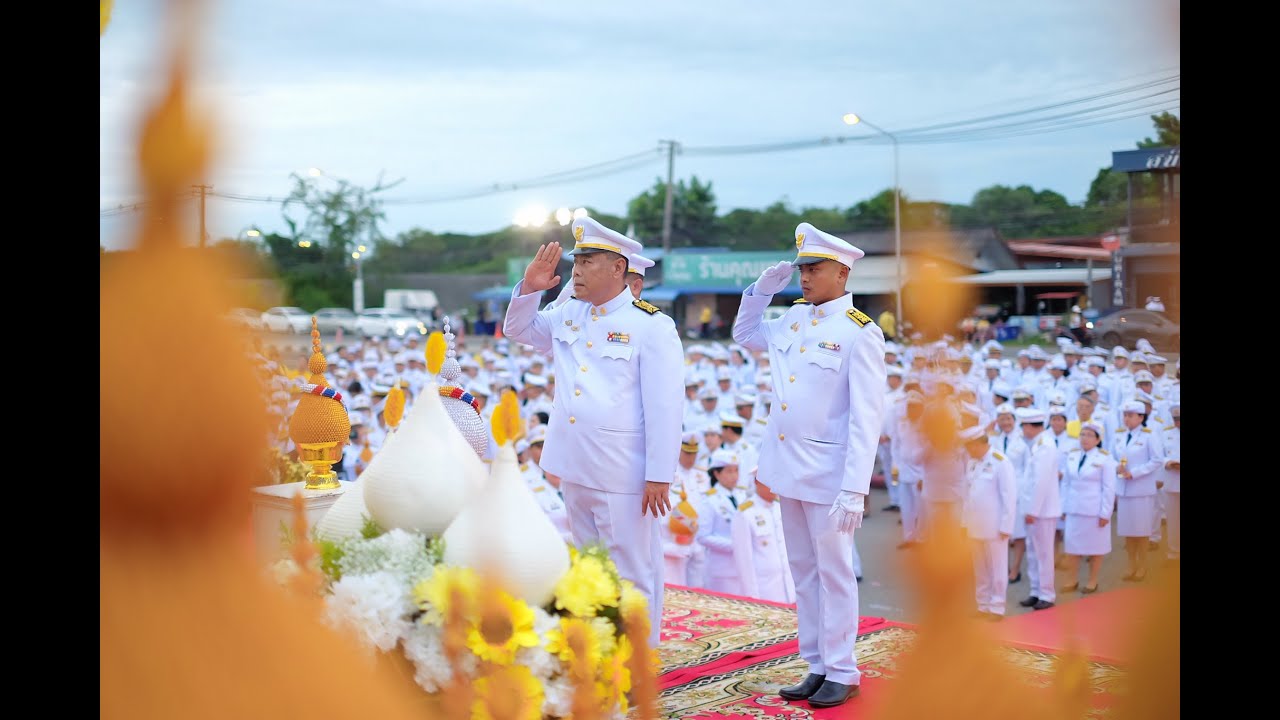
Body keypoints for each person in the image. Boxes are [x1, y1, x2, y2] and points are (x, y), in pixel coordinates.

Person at [501, 217, 684, 645]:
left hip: (623, 471)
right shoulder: (568, 313)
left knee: (632, 571)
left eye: (587, 260)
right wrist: (530, 289)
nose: (576, 269)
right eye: (576, 260)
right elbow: (519, 331)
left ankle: (638, 660)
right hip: (573, 463)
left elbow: (664, 406)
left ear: (617, 269)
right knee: (589, 564)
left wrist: (659, 474)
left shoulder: (651, 325)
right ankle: (600, 651)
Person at [732, 222, 886, 708]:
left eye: (813, 268)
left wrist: (855, 489)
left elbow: (867, 418)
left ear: (842, 273)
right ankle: (816, 663)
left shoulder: (860, 333)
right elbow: (744, 334)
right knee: (803, 570)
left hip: (829, 476)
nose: (804, 276)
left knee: (835, 572)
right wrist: (761, 291)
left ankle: (843, 668)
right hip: (786, 468)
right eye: (801, 268)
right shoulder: (794, 321)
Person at [959, 424, 1017, 620]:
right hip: (975, 525)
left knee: (997, 567)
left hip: (995, 526)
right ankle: (982, 604)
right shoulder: (972, 462)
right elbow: (967, 496)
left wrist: (1006, 526)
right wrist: (964, 523)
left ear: (978, 444)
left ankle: (997, 607)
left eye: (969, 447)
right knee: (980, 567)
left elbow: (1009, 496)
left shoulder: (1000, 462)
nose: (967, 451)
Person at [1059, 421, 1115, 594]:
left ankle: (1092, 580)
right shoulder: (1072, 455)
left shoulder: (1105, 458)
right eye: (1082, 434)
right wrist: (1063, 507)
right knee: (1072, 547)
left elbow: (1109, 488)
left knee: (1096, 548)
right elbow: (1066, 483)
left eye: (1090, 435)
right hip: (1074, 509)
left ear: (1098, 440)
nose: (1085, 438)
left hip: (1094, 511)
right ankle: (1072, 579)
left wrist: (1105, 513)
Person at [1015, 407, 1062, 611]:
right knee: (1033, 552)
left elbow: (1041, 482)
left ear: (1030, 426)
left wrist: (1033, 510)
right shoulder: (1037, 444)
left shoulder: (1045, 446)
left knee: (1043, 553)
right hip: (1034, 510)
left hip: (1042, 511)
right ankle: (1035, 591)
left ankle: (1047, 593)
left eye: (1024, 425)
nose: (1023, 430)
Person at [1112, 399, 1164, 582]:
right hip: (1124, 490)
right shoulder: (1119, 435)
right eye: (1125, 415)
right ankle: (1131, 564)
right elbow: (1111, 457)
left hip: (1141, 490)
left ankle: (1142, 565)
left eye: (1131, 415)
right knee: (1128, 531)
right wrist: (1115, 467)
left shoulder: (1149, 436)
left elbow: (1157, 460)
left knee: (1141, 532)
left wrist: (1135, 473)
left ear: (1141, 417)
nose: (1127, 419)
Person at [732, 473, 796, 603]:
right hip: (764, 590)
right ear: (757, 481)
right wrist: (752, 597)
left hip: (788, 588)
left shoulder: (781, 508)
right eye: (770, 481)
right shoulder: (745, 513)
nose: (774, 486)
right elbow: (744, 561)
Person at [696, 448, 749, 595]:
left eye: (736, 470)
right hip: (721, 570)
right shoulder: (710, 500)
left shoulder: (743, 496)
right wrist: (734, 546)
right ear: (716, 473)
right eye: (729, 471)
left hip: (744, 567)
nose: (735, 476)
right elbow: (702, 536)